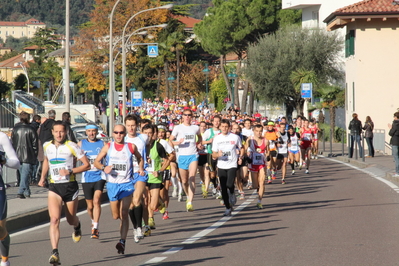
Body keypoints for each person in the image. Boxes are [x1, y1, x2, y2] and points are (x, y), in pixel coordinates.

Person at [38, 121, 90, 265]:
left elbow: (87, 165)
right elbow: (46, 161)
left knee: (70, 220)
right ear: (52, 132)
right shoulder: (47, 145)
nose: (59, 134)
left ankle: (77, 225)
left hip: (70, 187)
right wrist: (43, 177)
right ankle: (55, 253)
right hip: (54, 187)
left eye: (62, 131)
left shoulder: (72, 146)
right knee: (54, 219)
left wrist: (70, 171)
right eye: (56, 132)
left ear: (66, 132)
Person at [94, 124, 144, 254]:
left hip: (126, 184)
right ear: (113, 133)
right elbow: (96, 162)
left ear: (124, 133)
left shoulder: (130, 147)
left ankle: (122, 241)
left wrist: (141, 168)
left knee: (124, 213)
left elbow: (140, 158)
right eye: (116, 132)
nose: (118, 135)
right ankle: (125, 232)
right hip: (112, 185)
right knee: (115, 215)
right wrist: (104, 168)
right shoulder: (108, 146)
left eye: (121, 132)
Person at [169, 109, 202, 212]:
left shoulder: (196, 128)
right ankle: (188, 195)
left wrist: (199, 143)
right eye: (185, 115)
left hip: (193, 155)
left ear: (192, 117)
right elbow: (170, 140)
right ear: (182, 117)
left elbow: (199, 137)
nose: (187, 117)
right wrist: (177, 142)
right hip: (182, 156)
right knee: (184, 181)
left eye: (189, 115)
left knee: (192, 177)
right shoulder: (178, 128)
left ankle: (190, 202)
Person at [77, 123, 106, 239]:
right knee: (89, 206)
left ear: (97, 132)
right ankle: (93, 220)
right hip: (86, 177)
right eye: (89, 131)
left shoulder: (102, 144)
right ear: (86, 132)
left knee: (96, 200)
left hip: (100, 176)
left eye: (93, 131)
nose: (91, 133)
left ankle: (95, 227)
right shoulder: (81, 144)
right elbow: (73, 156)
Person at [212, 119, 243, 216]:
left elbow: (241, 148)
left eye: (226, 126)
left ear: (229, 127)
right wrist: (218, 155)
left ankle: (233, 192)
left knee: (229, 184)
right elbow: (213, 154)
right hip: (221, 165)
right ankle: (228, 207)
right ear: (220, 127)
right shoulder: (217, 138)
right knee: (223, 188)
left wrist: (241, 157)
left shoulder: (235, 137)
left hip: (232, 164)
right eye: (223, 126)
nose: (224, 128)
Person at [0, 132, 20, 266]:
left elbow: (16, 163)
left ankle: (5, 260)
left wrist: (4, 160)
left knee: (0, 229)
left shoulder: (1, 136)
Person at [11, 112, 38, 199]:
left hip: (17, 154)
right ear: (28, 118)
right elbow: (35, 144)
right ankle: (21, 191)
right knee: (25, 174)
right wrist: (35, 155)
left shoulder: (15, 129)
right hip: (28, 154)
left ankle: (26, 191)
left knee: (23, 173)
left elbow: (12, 142)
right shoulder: (31, 129)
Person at [246, 124, 269, 209]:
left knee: (262, 182)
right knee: (255, 185)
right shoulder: (250, 140)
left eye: (260, 131)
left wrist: (268, 156)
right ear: (253, 131)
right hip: (253, 163)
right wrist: (247, 156)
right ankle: (258, 189)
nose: (259, 133)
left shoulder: (265, 140)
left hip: (262, 163)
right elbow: (245, 149)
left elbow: (268, 151)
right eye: (257, 131)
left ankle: (259, 201)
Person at [388, 112, 399, 177]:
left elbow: (391, 133)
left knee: (396, 157)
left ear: (396, 117)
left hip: (395, 142)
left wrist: (390, 128)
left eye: (394, 116)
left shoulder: (395, 124)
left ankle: (397, 172)